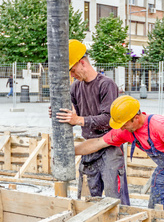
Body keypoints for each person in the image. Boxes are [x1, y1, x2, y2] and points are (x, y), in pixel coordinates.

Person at [75, 95, 164, 214]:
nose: (122, 128)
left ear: (136, 118)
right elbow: (98, 143)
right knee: (156, 212)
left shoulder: (159, 126)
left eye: (124, 124)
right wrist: (72, 151)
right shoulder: (126, 131)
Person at [54, 39, 130, 205]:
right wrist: (62, 114)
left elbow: (109, 119)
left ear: (82, 63)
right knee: (87, 199)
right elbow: (75, 113)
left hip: (109, 147)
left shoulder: (106, 85)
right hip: (89, 146)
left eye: (73, 71)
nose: (72, 75)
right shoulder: (75, 87)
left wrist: (78, 120)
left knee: (114, 199)